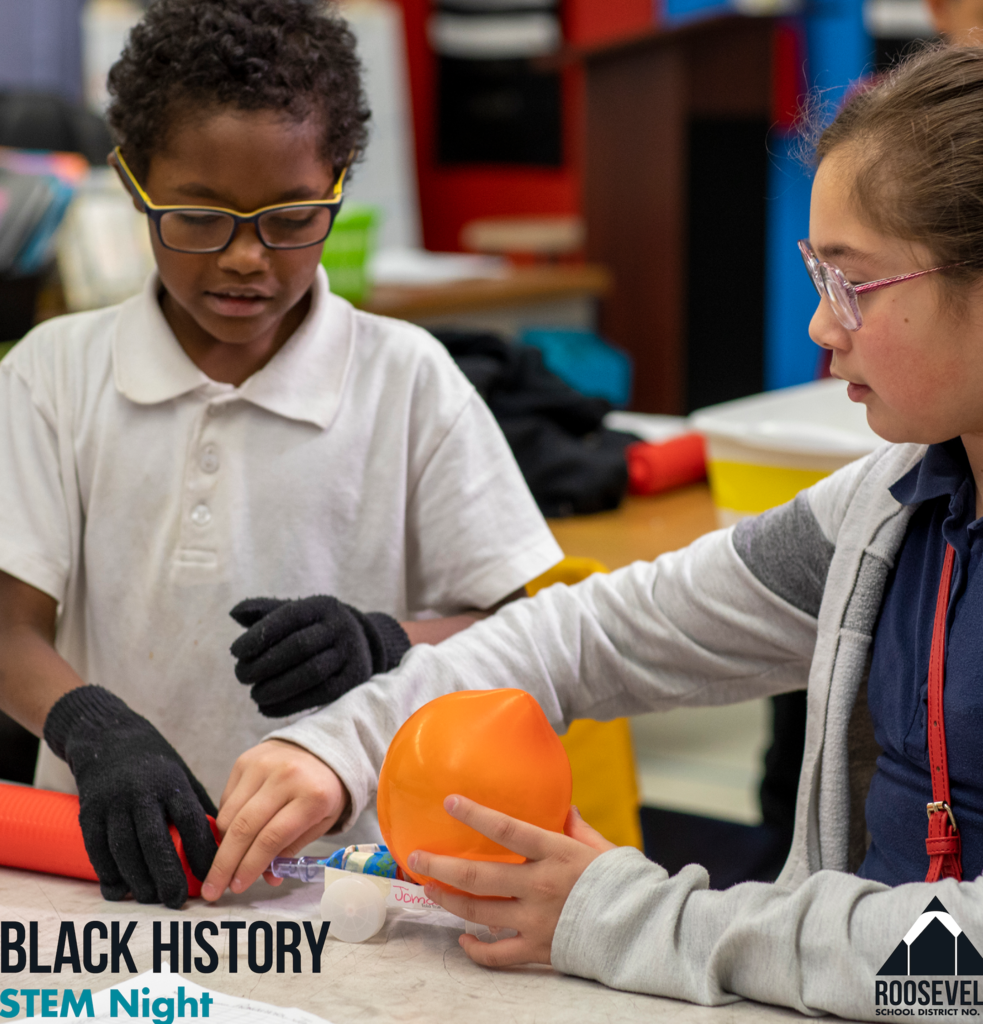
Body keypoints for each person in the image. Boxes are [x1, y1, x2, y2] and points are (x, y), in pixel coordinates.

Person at [202, 44, 983, 1017]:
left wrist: (625, 914)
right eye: (814, 275)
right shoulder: (887, 513)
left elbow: (961, 966)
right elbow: (599, 633)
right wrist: (338, 745)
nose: (821, 331)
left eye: (851, 285)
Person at [0, 0, 561, 910]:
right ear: (133, 182)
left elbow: (523, 631)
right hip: (108, 865)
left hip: (347, 884)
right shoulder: (51, 375)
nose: (245, 260)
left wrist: (387, 644)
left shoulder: (407, 378)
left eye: (291, 217)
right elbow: (9, 624)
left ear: (338, 183)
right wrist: (91, 727)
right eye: (199, 216)